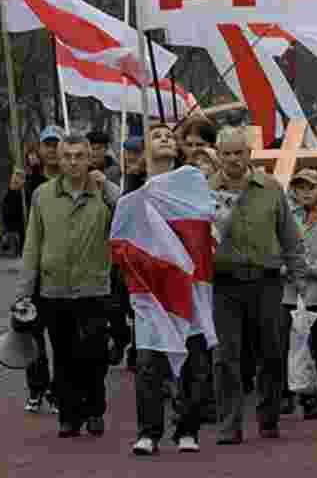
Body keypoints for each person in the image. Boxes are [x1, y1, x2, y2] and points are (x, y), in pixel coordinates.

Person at [209, 126, 308, 444]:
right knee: (225, 356)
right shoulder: (204, 190)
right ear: (218, 155)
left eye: (239, 153)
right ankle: (229, 425)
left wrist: (299, 277)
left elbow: (290, 236)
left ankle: (268, 418)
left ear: (249, 154)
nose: (233, 159)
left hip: (266, 282)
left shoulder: (270, 188)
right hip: (223, 284)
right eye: (227, 154)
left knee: (272, 352)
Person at [15, 132, 113, 438]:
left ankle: (94, 409)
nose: (73, 162)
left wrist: (108, 186)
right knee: (64, 354)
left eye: (79, 156)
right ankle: (69, 416)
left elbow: (127, 211)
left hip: (93, 287)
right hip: (54, 289)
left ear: (89, 159)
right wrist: (23, 292)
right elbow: (33, 244)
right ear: (58, 159)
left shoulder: (102, 192)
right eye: (67, 156)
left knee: (94, 352)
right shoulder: (42, 195)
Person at [128, 123, 215, 456]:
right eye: (156, 136)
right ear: (145, 150)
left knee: (193, 360)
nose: (164, 138)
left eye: (168, 136)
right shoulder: (134, 186)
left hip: (187, 284)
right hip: (150, 286)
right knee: (148, 359)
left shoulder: (191, 182)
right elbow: (123, 232)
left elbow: (204, 220)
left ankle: (187, 429)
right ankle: (148, 432)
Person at [8, 127, 63, 414]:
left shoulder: (76, 181)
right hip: (36, 272)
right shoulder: (29, 185)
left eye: (57, 144)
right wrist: (12, 193)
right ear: (39, 150)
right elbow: (12, 223)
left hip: (65, 272)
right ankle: (37, 388)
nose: (52, 150)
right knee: (32, 332)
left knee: (63, 337)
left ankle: (59, 391)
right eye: (47, 145)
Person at [281, 168, 317, 420]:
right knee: (285, 346)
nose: (305, 192)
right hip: (288, 295)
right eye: (300, 187)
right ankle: (285, 394)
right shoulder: (284, 220)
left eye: (311, 187)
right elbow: (274, 250)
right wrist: (289, 268)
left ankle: (311, 396)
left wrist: (311, 268)